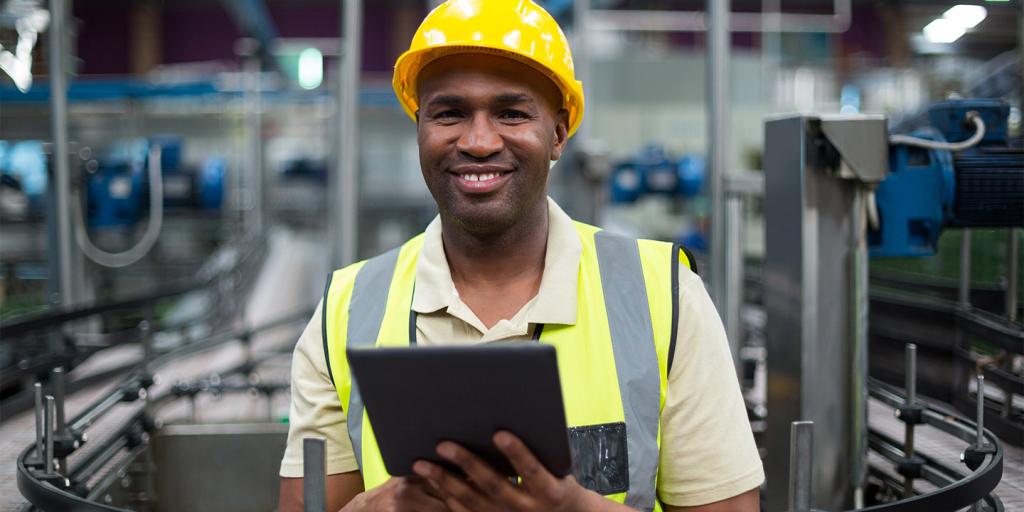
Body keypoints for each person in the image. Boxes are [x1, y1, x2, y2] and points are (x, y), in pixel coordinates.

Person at [278, 1, 763, 511]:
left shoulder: (662, 297)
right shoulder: (346, 310)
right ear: (419, 127)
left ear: (558, 133)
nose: (479, 141)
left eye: (511, 112)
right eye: (449, 113)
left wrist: (575, 509)